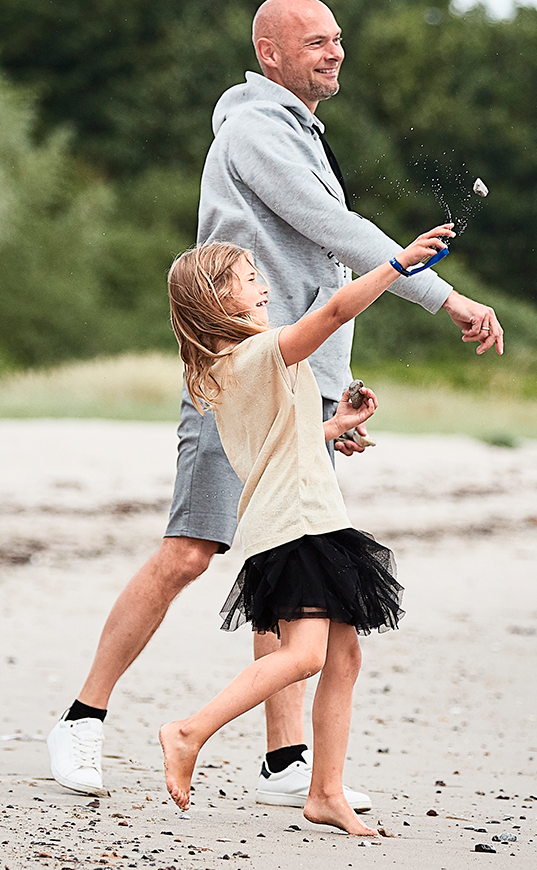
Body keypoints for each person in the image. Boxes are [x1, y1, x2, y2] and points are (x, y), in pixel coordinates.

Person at [47, 0, 505, 807]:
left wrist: (333, 401)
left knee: (283, 554)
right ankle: (83, 717)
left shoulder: (299, 130)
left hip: (302, 382)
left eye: (337, 40)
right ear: (270, 53)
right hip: (245, 374)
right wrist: (446, 297)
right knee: (192, 551)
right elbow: (333, 229)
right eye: (315, 42)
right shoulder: (258, 128)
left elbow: (313, 276)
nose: (334, 53)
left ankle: (285, 760)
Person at [158, 229, 449, 831]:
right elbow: (337, 309)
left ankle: (325, 792)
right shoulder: (258, 354)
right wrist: (395, 264)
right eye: (248, 277)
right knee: (306, 655)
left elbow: (279, 445)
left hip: (310, 519)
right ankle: (189, 732)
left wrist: (333, 424)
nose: (264, 284)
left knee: (344, 658)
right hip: (296, 526)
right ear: (218, 300)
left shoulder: (231, 367)